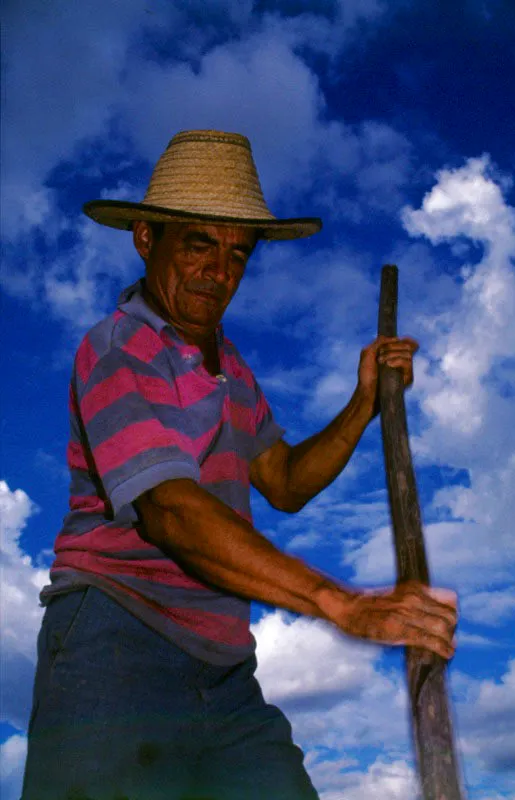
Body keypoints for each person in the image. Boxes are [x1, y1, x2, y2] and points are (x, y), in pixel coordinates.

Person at [22, 130, 457, 800]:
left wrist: (364, 402)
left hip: (224, 666)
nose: (218, 271)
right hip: (116, 638)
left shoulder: (235, 374)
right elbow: (170, 510)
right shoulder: (118, 348)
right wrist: (342, 603)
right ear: (146, 238)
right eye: (199, 242)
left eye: (236, 252)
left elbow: (283, 481)